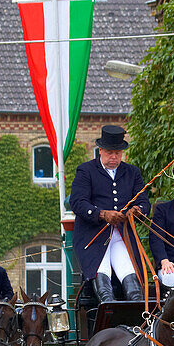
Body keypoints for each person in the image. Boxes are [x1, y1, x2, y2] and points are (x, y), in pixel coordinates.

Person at [68, 125, 150, 303]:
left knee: (134, 288)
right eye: (110, 153)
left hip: (122, 236)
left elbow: (143, 202)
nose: (114, 157)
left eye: (118, 153)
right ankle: (106, 322)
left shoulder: (132, 172)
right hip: (94, 236)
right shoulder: (86, 171)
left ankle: (137, 325)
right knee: (105, 290)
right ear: (101, 151)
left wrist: (137, 211)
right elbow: (77, 202)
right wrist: (102, 214)